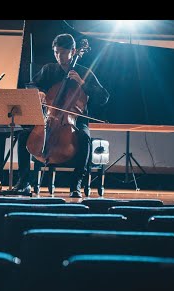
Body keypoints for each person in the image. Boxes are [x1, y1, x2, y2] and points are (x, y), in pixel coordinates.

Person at [14, 33, 110, 198]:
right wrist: (39, 92)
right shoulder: (49, 69)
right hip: (49, 118)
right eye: (56, 52)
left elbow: (104, 97)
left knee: (85, 139)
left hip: (75, 121)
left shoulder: (84, 72)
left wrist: (82, 83)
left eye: (63, 52)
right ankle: (24, 182)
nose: (59, 56)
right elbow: (31, 85)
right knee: (23, 136)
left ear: (73, 51)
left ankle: (75, 185)